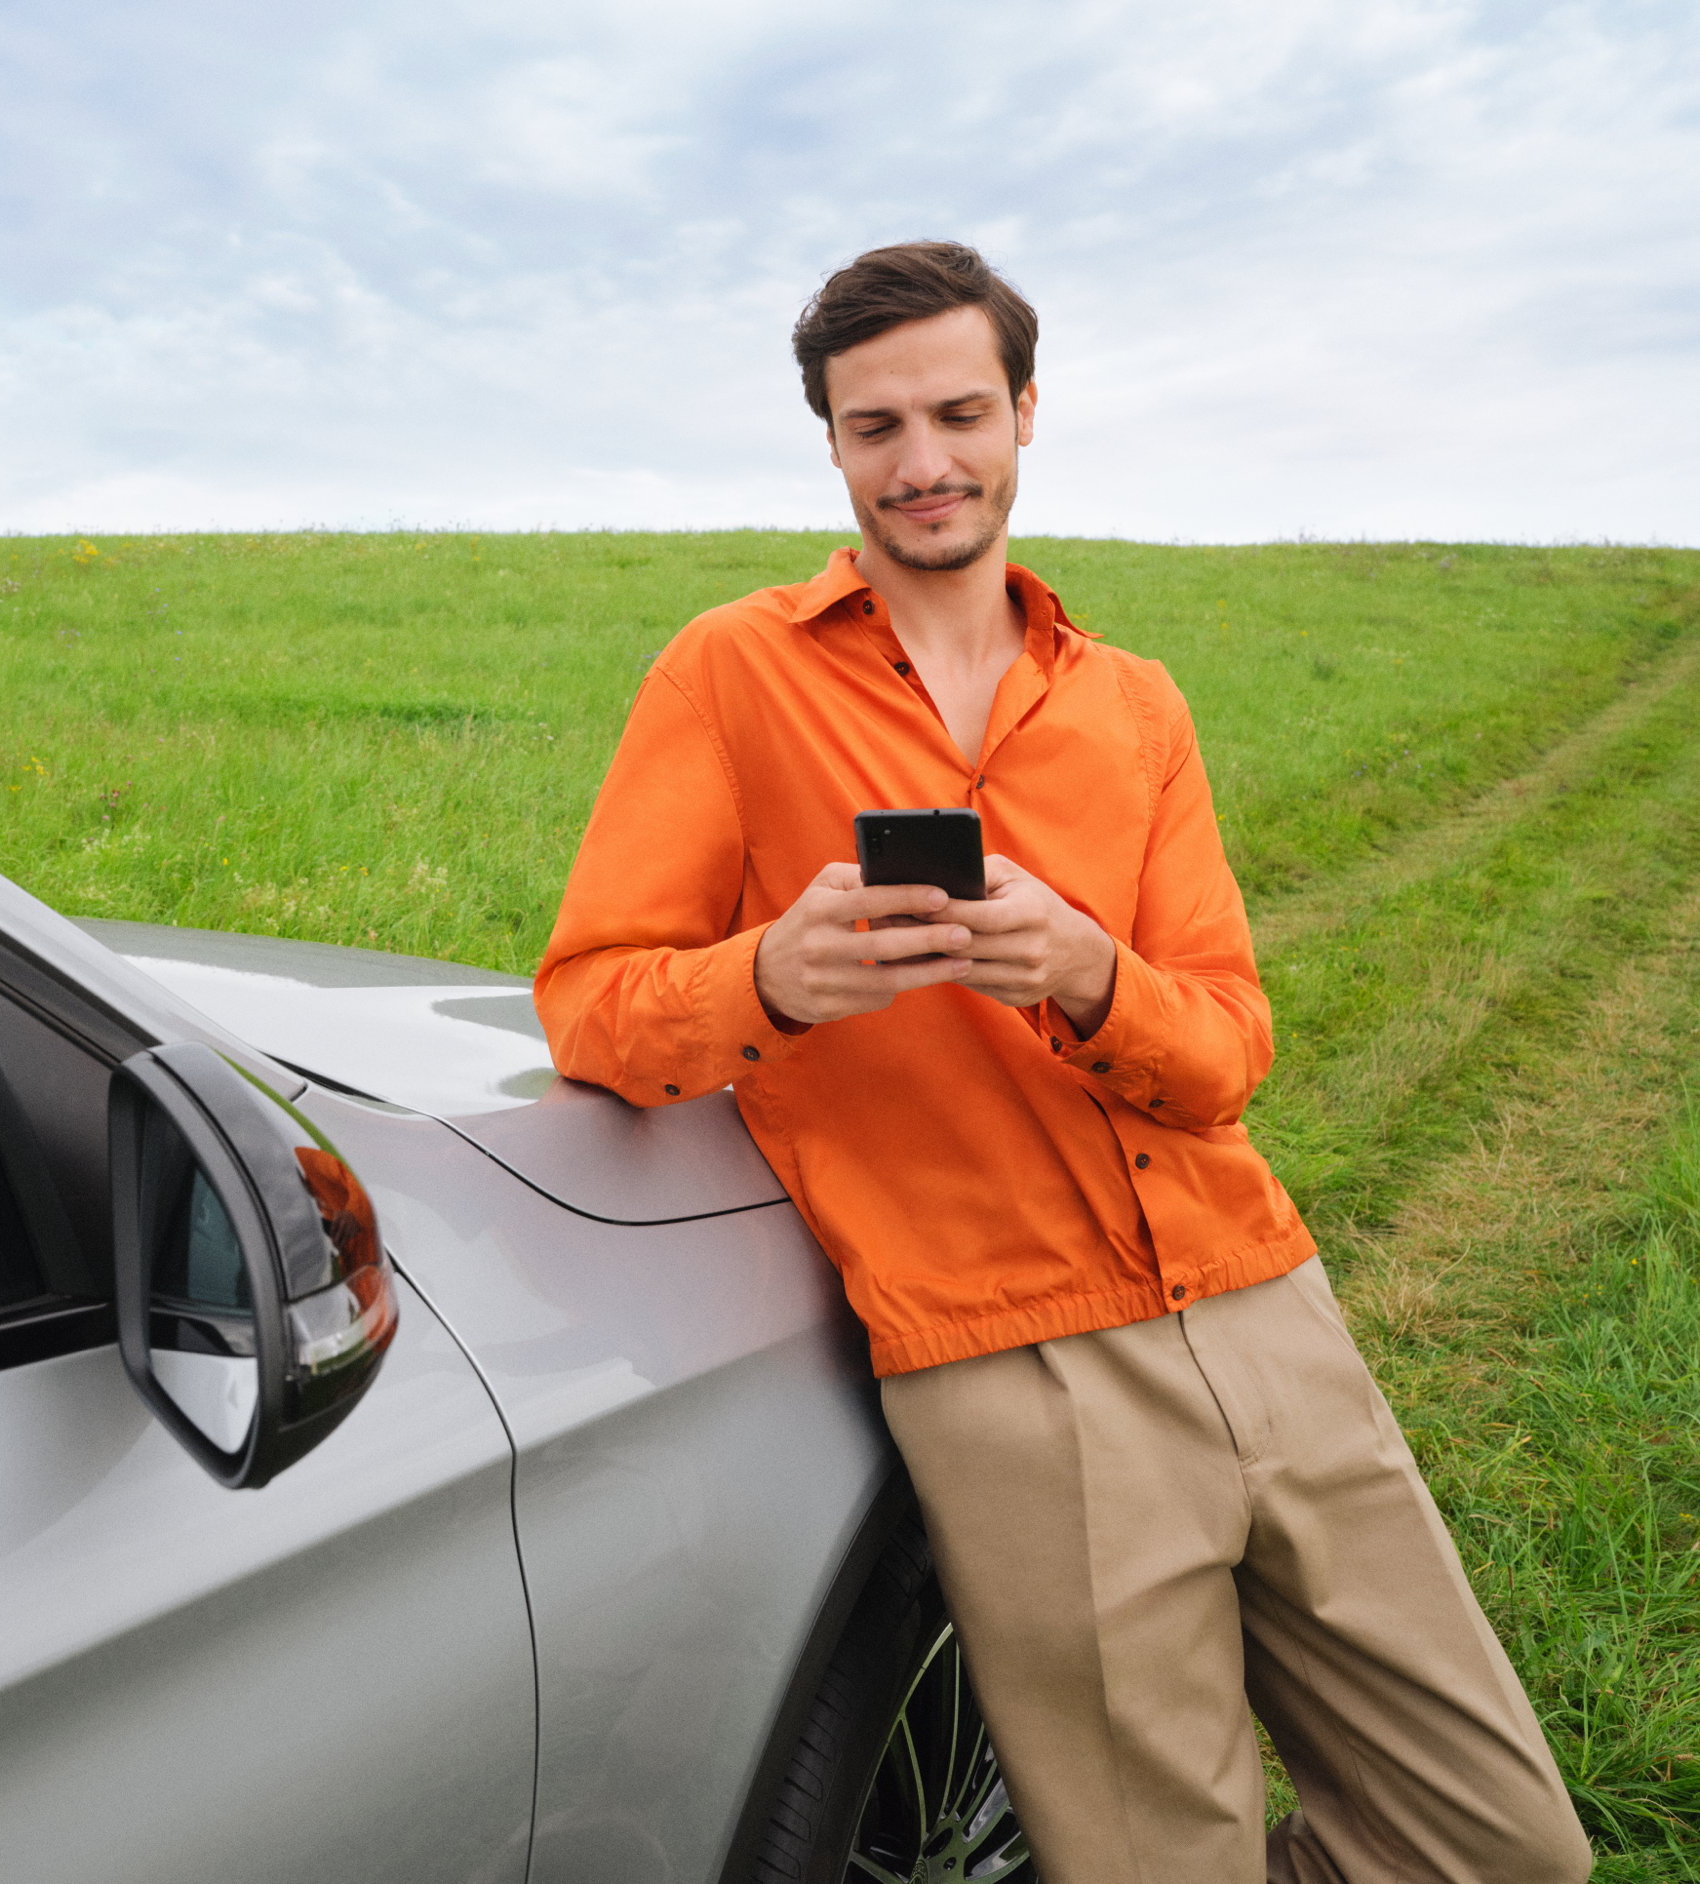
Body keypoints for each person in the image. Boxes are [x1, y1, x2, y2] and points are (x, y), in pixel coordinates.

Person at [534, 241, 1590, 1884]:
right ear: (831, 443)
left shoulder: (1135, 707)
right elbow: (589, 1001)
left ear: (1025, 412)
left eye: (960, 414)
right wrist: (772, 979)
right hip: (1007, 1360)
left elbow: (1227, 1047)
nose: (923, 462)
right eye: (876, 427)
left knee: (1508, 1846)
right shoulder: (731, 674)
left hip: (1262, 1304)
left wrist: (1093, 976)